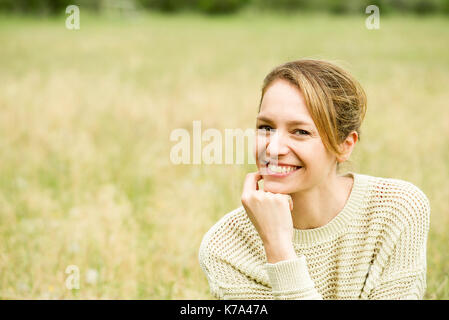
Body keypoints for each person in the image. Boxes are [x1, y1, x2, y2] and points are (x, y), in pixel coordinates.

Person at [198, 59, 430, 300]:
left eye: (300, 132)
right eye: (266, 127)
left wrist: (280, 249)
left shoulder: (397, 210)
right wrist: (276, 245)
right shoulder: (225, 247)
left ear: (344, 146)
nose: (273, 149)